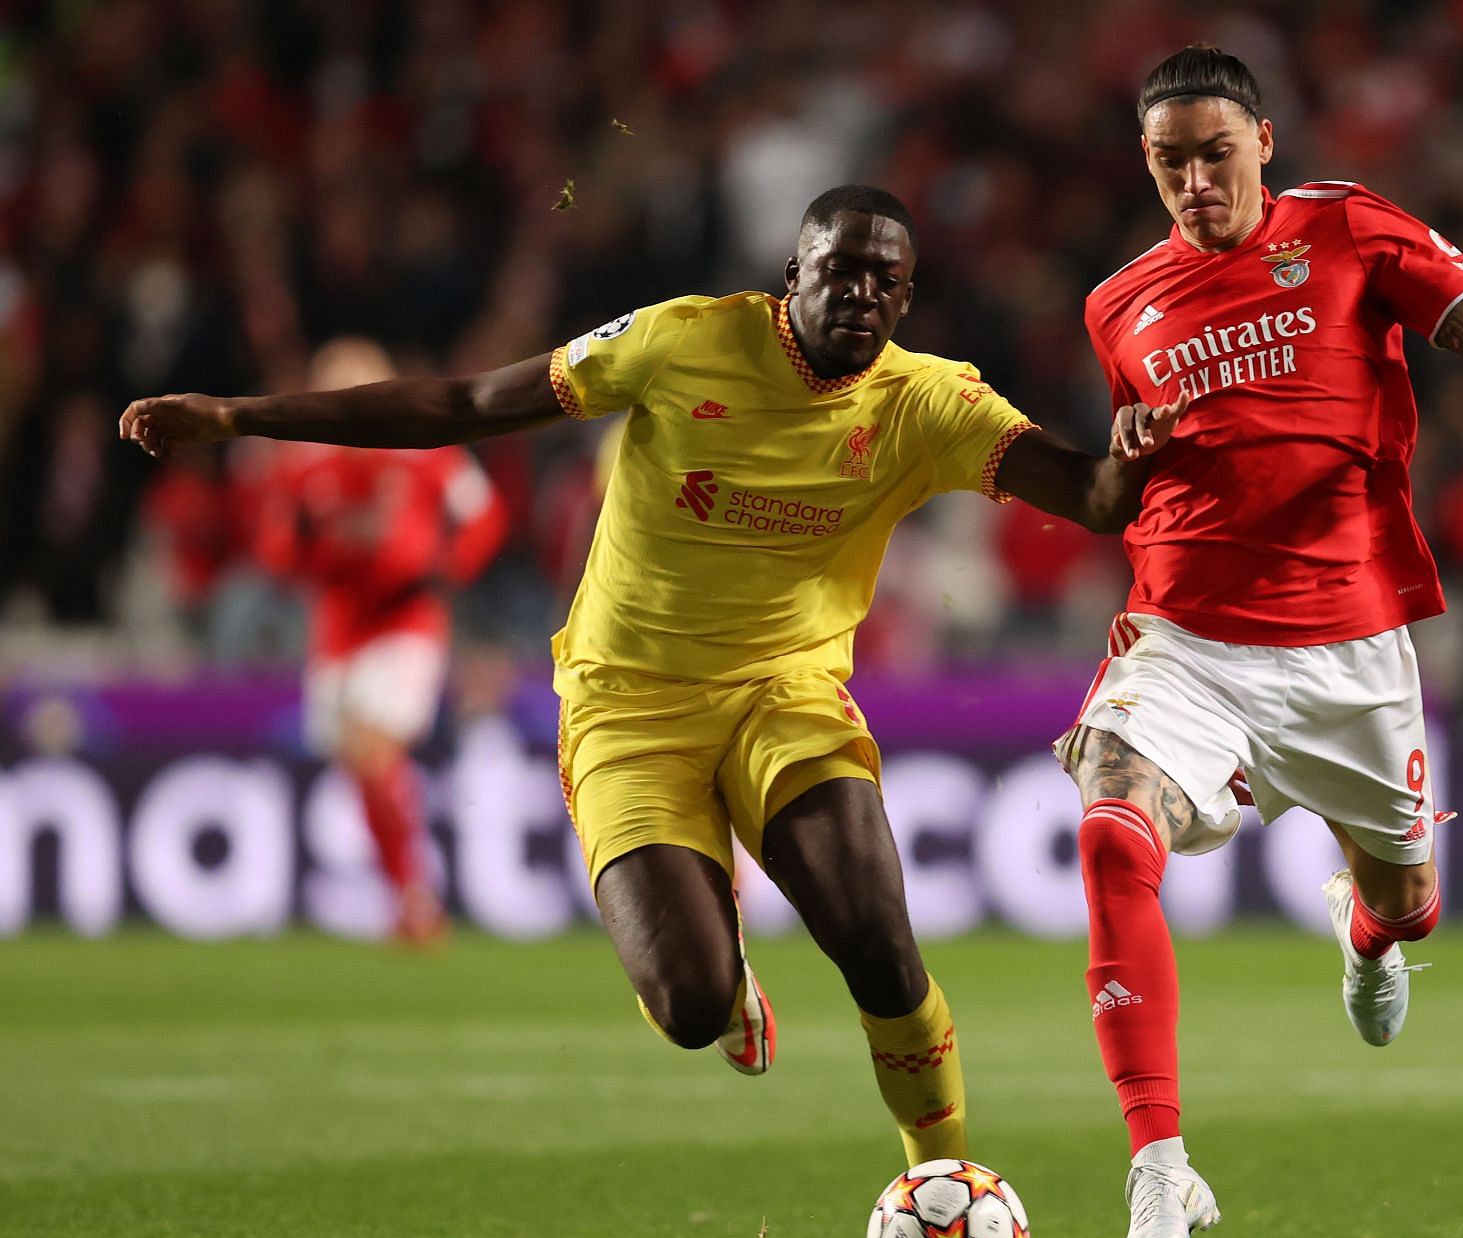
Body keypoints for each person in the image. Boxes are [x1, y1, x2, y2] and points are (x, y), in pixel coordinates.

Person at [121, 185, 1186, 1171]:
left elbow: (1093, 496)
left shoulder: (930, 404)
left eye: (885, 281)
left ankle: (945, 1173)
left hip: (787, 698)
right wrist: (240, 417)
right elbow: (467, 404)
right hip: (627, 707)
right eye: (840, 272)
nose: (861, 296)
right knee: (686, 1000)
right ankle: (721, 980)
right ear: (793, 274)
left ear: (907, 297)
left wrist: (1143, 439)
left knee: (876, 940)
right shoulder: (679, 340)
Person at [1055, 47, 1463, 1238]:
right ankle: (1159, 1160)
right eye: (1170, 161)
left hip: (1349, 648)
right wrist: (1125, 447)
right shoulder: (1121, 305)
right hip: (1188, 635)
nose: (1195, 180)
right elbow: (1117, 494)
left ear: (1266, 141)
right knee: (1113, 824)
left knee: (1408, 896)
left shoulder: (1349, 231)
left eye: (1217, 152)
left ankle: (1370, 935)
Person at [253, 338, 507, 945]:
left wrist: (447, 565)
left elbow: (483, 516)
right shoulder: (301, 464)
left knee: (372, 749)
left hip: (405, 620)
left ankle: (415, 901)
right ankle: (404, 894)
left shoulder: (427, 450)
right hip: (338, 626)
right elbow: (275, 549)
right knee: (357, 764)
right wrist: (308, 549)